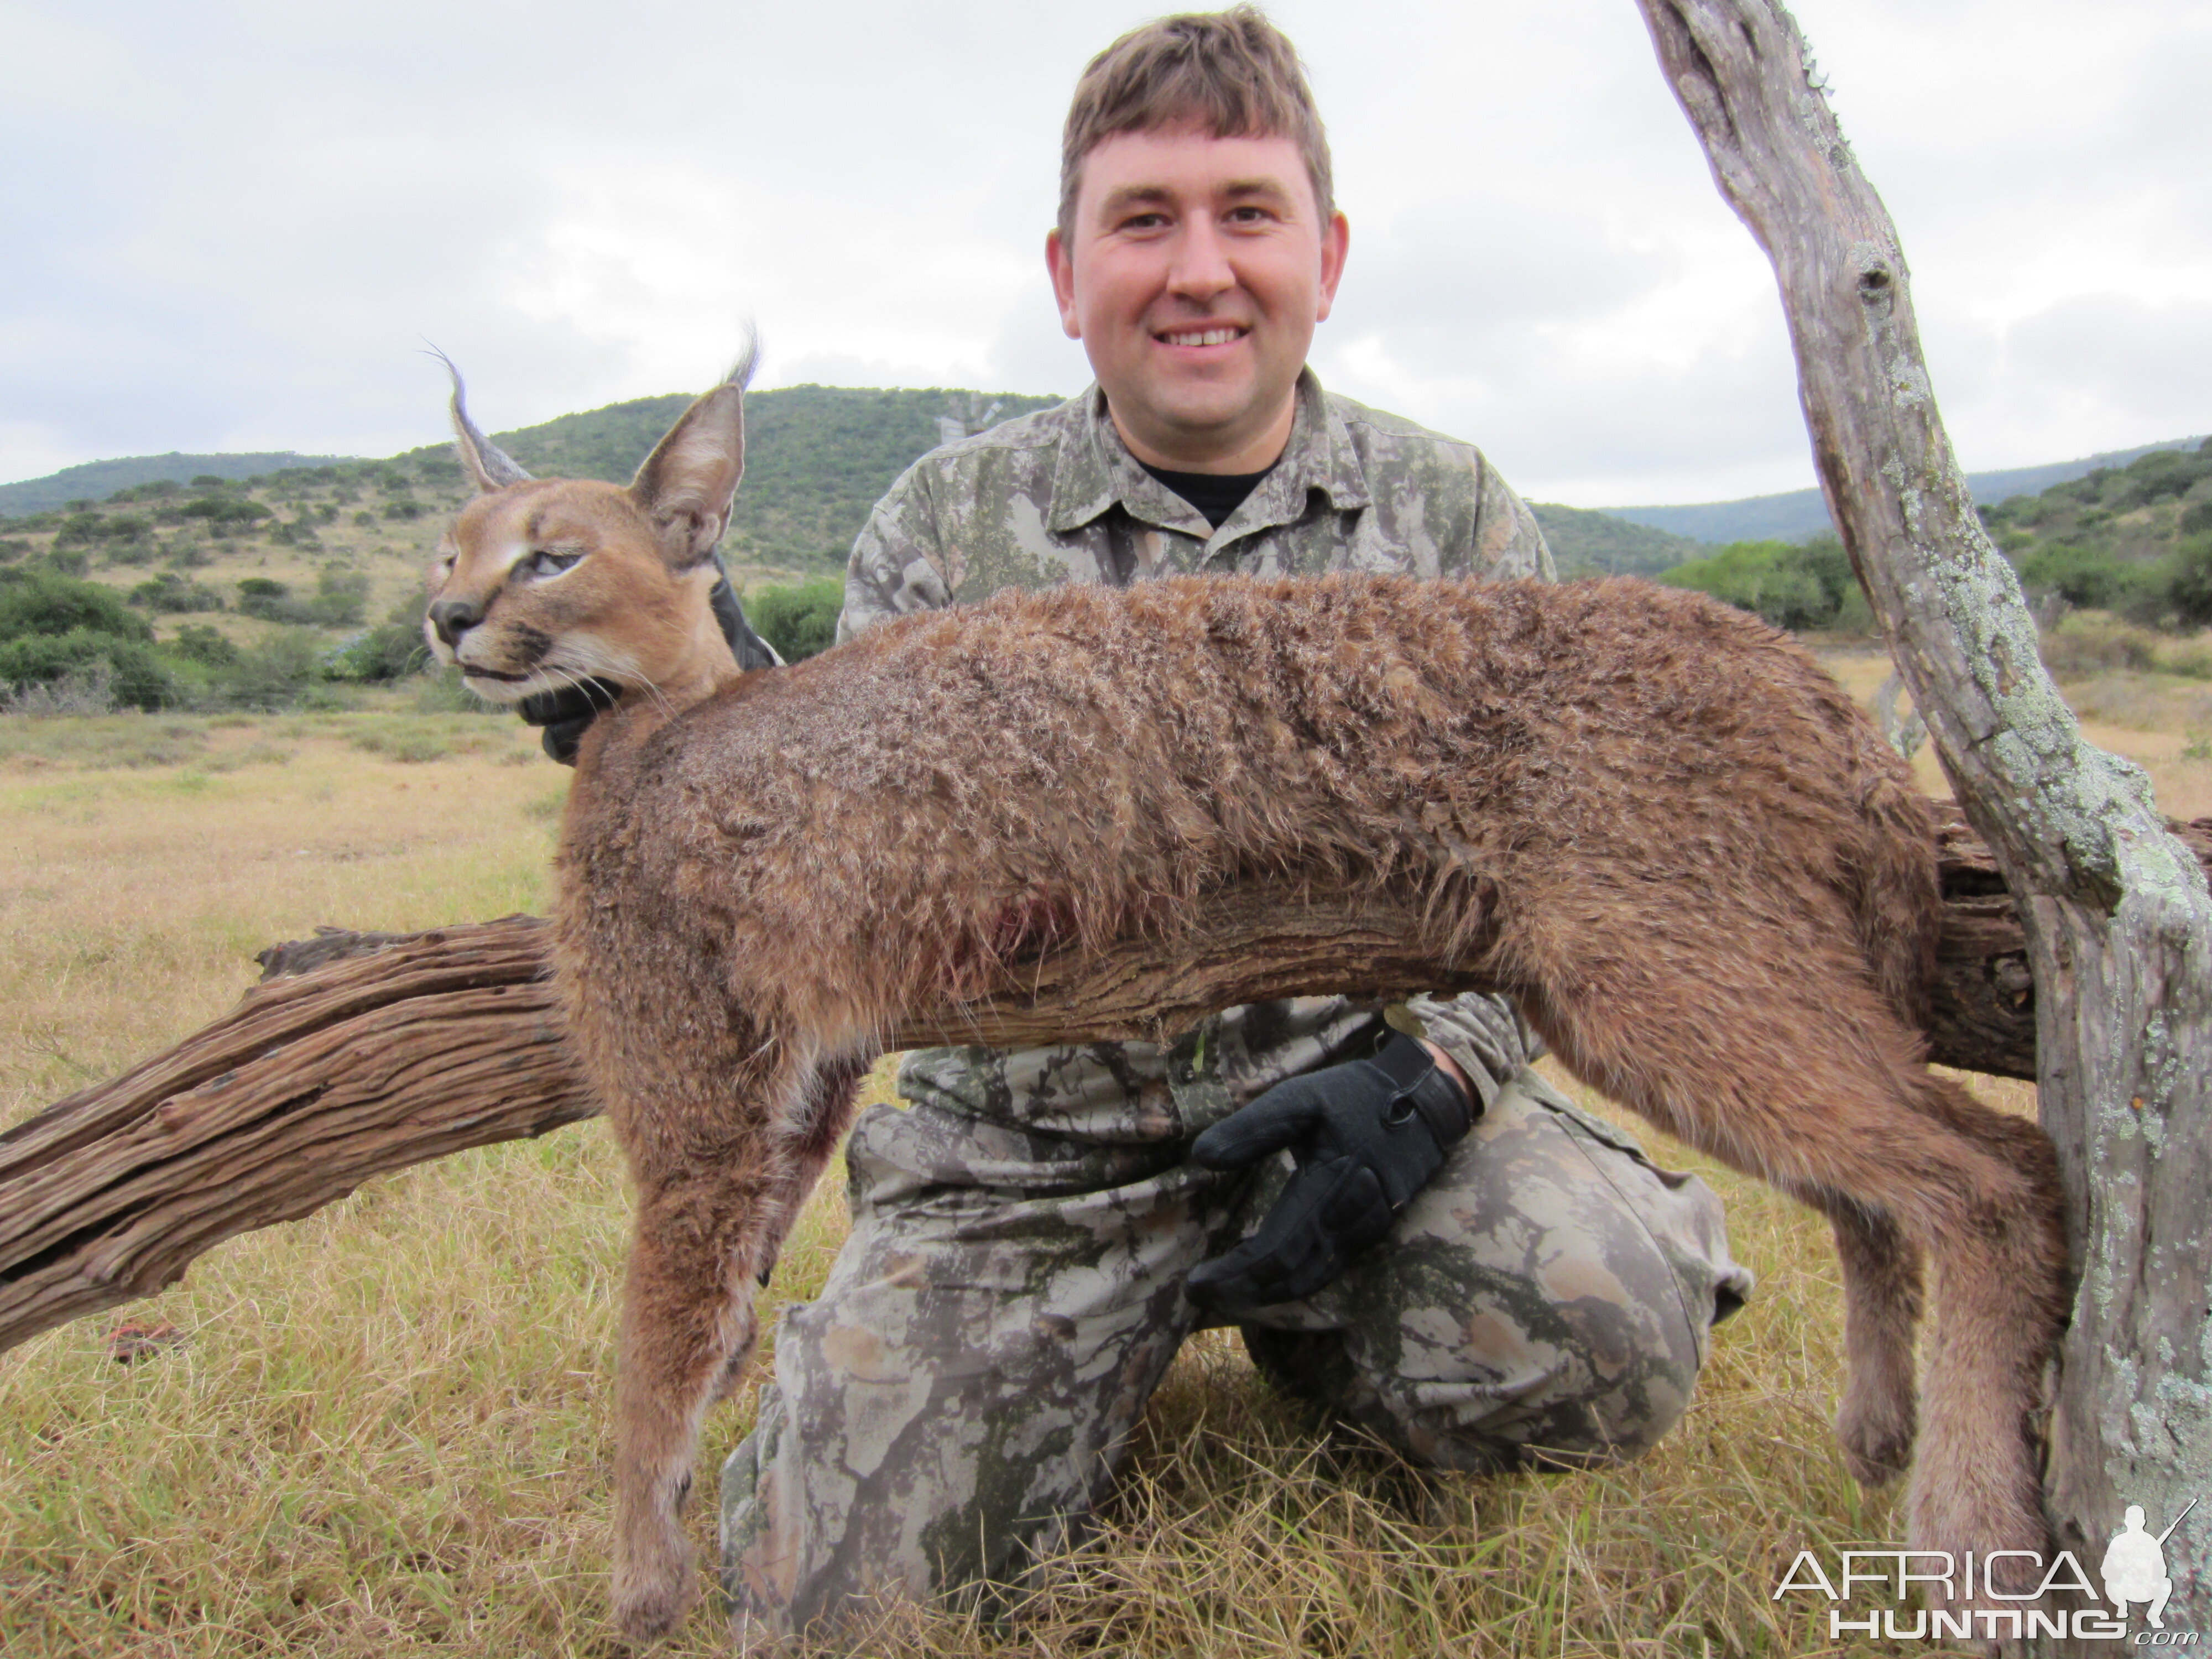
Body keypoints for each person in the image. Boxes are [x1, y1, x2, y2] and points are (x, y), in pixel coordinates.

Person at [526, 8, 1750, 1647]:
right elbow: (834, 834)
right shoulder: (946, 525)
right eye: (1144, 221)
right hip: (1020, 1156)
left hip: (1356, 1115)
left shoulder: (1449, 514)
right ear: (1062, 271)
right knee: (833, 1608)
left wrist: (1437, 1071)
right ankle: (1027, 1357)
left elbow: (1544, 870)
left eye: (1247, 215)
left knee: (1594, 1336)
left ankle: (1353, 1337)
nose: (1199, 271)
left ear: (1326, 251)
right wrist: (659, 730)